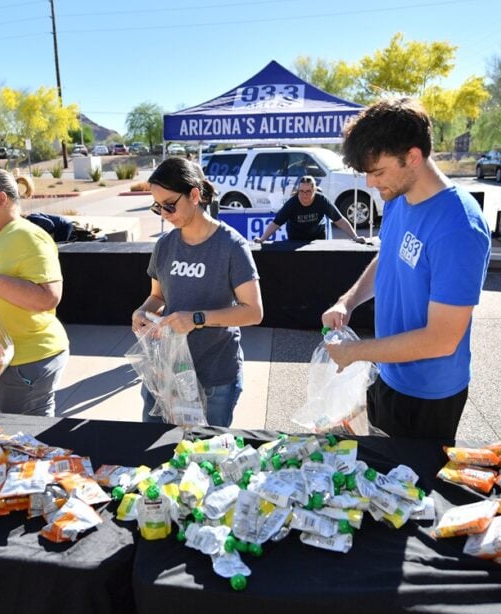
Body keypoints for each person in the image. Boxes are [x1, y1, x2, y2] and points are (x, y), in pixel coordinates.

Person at [321, 98, 491, 439]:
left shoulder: (459, 226)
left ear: (413, 157)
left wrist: (355, 352)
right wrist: (347, 301)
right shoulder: (398, 198)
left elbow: (442, 339)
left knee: (413, 473)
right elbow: (387, 258)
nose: (370, 184)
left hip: (429, 395)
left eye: (378, 172)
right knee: (379, 465)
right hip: (388, 373)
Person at [132, 157, 263, 427]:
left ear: (194, 195)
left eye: (169, 205)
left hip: (215, 377)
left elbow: (253, 312)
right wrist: (143, 312)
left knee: (205, 450)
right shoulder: (165, 245)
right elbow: (158, 297)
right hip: (166, 372)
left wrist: (197, 319)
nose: (164, 214)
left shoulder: (232, 246)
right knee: (150, 445)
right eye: (157, 207)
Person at [0, 169, 69, 416]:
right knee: (17, 432)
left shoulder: (29, 236)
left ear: (1, 198)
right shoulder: (2, 236)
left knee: (29, 435)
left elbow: (49, 297)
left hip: (29, 359)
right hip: (5, 359)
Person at [254, 176, 367, 244]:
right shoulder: (292, 203)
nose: (304, 195)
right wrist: (262, 239)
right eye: (301, 191)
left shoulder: (322, 200)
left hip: (318, 236)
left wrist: (355, 237)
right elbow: (276, 223)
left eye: (308, 191)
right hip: (296, 238)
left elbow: (340, 220)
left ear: (314, 190)